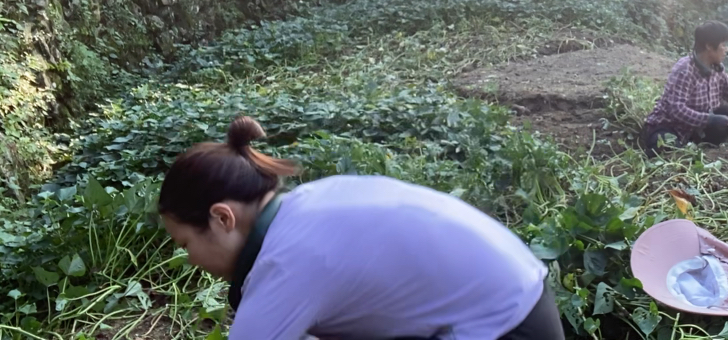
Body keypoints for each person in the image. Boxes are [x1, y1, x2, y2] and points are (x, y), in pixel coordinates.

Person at [158, 116, 565, 340]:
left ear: (222, 217)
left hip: (506, 326)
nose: (189, 258)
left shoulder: (287, 261)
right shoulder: (306, 206)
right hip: (522, 294)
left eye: (185, 242)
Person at [641, 21, 728, 156]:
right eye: (723, 45)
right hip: (669, 127)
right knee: (668, 147)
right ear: (709, 46)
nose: (726, 49)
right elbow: (676, 110)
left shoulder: (716, 69)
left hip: (694, 129)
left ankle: (697, 146)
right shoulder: (684, 70)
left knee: (726, 114)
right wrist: (709, 120)